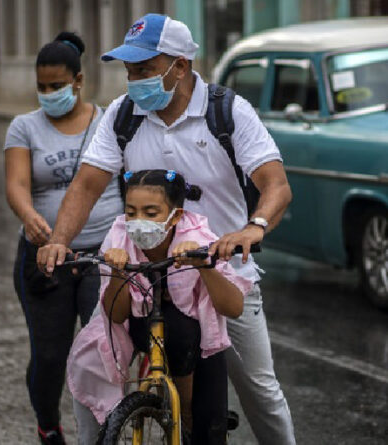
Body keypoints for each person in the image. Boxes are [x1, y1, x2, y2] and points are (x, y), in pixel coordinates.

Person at [38, 14, 296, 445]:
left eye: (144, 70)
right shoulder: (124, 114)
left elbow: (276, 185)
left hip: (220, 275)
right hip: (143, 275)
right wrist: (58, 241)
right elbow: (87, 182)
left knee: (259, 390)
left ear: (180, 65)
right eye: (129, 71)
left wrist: (254, 228)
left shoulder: (227, 111)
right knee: (90, 364)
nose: (134, 80)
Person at [67, 169, 253, 444]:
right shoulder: (119, 236)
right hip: (138, 325)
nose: (138, 221)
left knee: (209, 425)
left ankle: (188, 414)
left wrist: (203, 266)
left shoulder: (198, 236)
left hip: (197, 341)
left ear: (175, 216)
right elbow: (116, 315)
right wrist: (118, 270)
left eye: (151, 213)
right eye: (131, 212)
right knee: (89, 363)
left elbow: (233, 307)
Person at [4, 32, 123, 445]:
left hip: (103, 256)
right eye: (42, 86)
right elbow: (16, 184)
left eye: (57, 85)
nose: (49, 93)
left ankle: (105, 429)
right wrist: (29, 214)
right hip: (45, 258)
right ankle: (49, 426)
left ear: (78, 81)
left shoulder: (109, 121)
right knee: (51, 355)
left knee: (101, 353)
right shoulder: (24, 127)